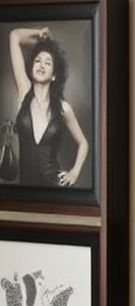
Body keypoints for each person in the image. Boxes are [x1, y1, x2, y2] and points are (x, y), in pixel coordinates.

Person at [8, 26, 89, 188]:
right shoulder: (24, 92)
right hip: (25, 189)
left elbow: (83, 143)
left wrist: (74, 172)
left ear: (54, 75)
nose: (41, 65)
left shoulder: (63, 108)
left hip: (54, 187)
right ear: (31, 68)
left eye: (47, 62)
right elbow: (14, 36)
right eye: (37, 61)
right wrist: (39, 35)